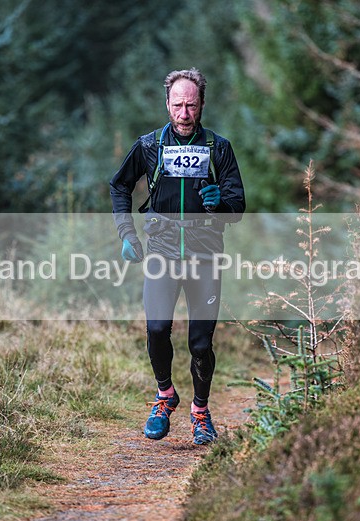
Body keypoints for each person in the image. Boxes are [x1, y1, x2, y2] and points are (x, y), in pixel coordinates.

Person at [110, 68, 246, 445]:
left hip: (205, 255)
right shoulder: (150, 146)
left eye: (190, 105)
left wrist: (219, 205)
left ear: (202, 104)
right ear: (166, 105)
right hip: (163, 252)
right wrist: (126, 233)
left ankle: (200, 412)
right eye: (177, 105)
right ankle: (165, 395)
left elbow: (238, 209)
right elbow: (119, 186)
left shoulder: (219, 148)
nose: (184, 114)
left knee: (201, 344)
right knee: (156, 329)